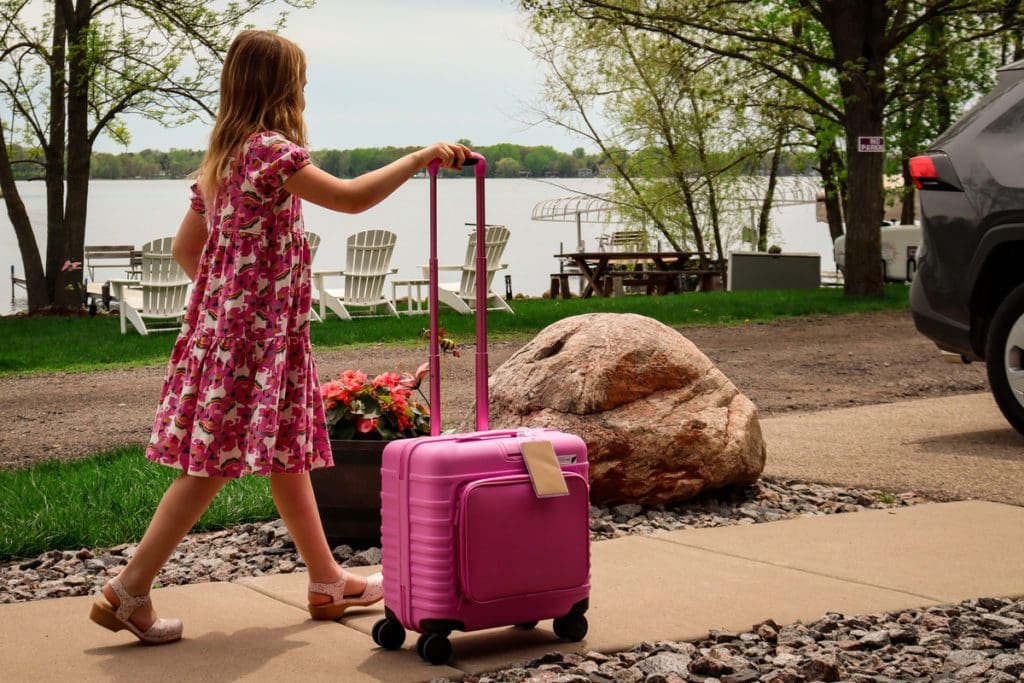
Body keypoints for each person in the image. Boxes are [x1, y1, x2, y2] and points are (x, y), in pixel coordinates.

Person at [88, 29, 470, 645]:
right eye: (302, 82)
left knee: (288, 450)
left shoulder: (225, 157)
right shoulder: (272, 151)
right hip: (256, 342)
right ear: (282, 88)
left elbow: (189, 250)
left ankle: (327, 581)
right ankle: (127, 590)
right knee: (208, 466)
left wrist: (230, 301)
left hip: (243, 336)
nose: (306, 91)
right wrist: (421, 157)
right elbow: (349, 200)